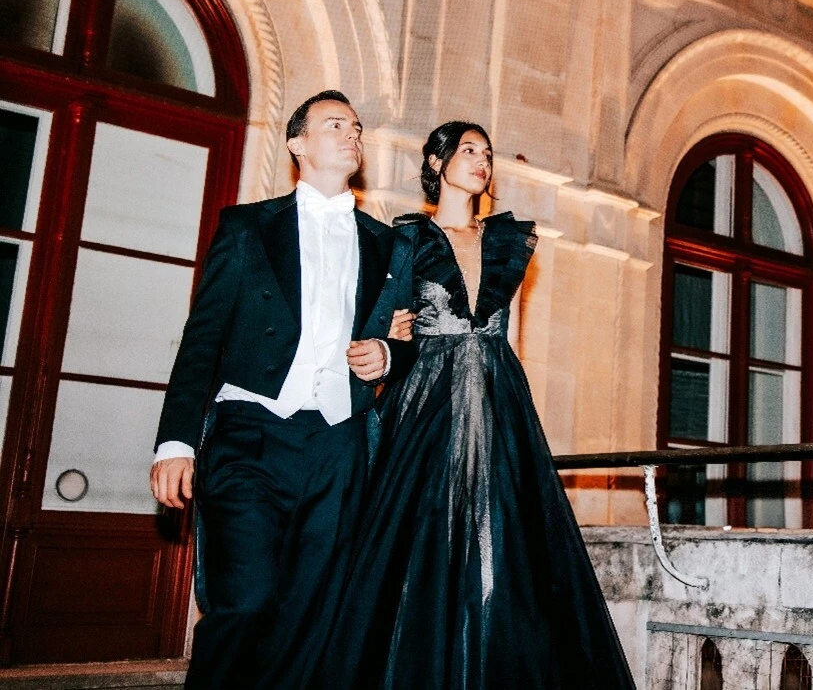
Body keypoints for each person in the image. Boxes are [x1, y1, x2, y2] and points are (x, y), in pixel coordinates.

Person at [305, 121, 637, 689]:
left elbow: (501, 328)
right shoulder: (406, 239)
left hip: (499, 394)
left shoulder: (510, 240)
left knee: (509, 540)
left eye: (487, 153)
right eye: (468, 151)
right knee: (415, 540)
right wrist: (390, 337)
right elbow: (383, 324)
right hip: (427, 398)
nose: (481, 160)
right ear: (437, 165)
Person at [150, 90, 411, 690]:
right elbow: (203, 339)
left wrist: (388, 356)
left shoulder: (387, 244)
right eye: (335, 124)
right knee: (244, 601)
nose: (352, 134)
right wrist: (175, 442)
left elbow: (407, 339)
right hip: (250, 435)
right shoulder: (246, 228)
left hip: (338, 444)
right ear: (296, 143)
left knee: (312, 617)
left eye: (357, 127)